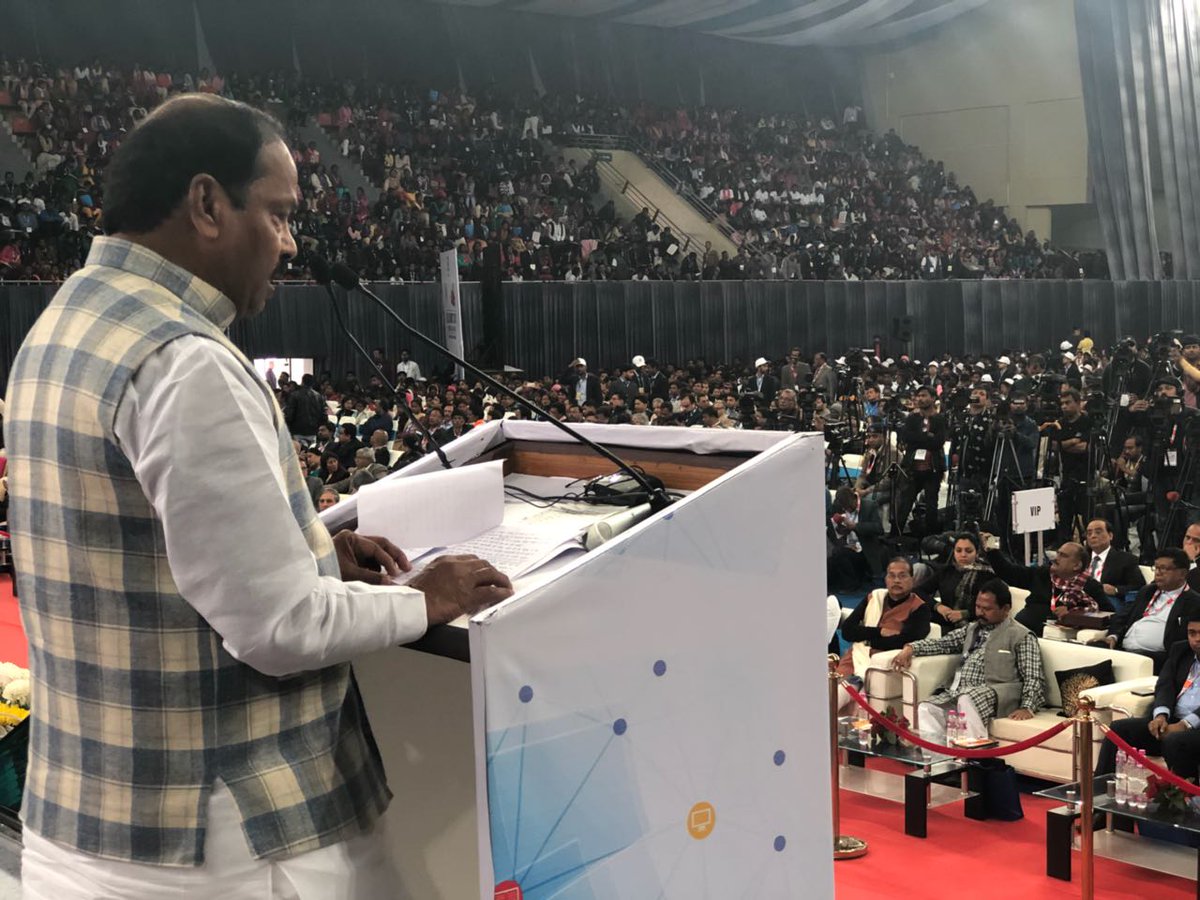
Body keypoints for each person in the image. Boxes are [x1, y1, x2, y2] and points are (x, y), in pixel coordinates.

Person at [4, 95, 514, 899]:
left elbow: (138, 558)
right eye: (278, 214)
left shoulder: (59, 326)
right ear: (208, 204)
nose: (290, 241)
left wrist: (314, 554)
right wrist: (426, 597)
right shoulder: (185, 360)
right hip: (229, 846)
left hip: (86, 824)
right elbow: (277, 626)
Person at [892, 580, 1044, 742]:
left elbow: (1033, 676)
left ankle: (974, 753)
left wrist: (1027, 707)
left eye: (987, 609)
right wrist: (911, 648)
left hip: (998, 692)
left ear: (1006, 609)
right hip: (960, 691)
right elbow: (943, 643)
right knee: (927, 708)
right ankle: (938, 757)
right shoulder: (972, 629)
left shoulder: (1022, 635)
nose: (980, 613)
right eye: (978, 607)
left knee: (967, 699)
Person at [1095, 614, 1200, 785]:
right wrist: (1161, 716)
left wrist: (1185, 725)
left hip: (1195, 728)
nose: (1197, 639)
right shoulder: (1180, 650)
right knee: (1119, 729)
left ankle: (1186, 797)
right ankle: (1099, 792)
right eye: (1192, 633)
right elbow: (1165, 685)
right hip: (1173, 720)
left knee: (1175, 741)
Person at [836, 558, 930, 711]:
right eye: (892, 575)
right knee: (831, 693)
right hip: (856, 657)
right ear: (885, 579)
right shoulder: (874, 598)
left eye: (902, 576)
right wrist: (880, 632)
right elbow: (847, 631)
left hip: (884, 664)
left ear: (912, 580)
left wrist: (868, 640)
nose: (896, 580)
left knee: (844, 696)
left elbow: (906, 640)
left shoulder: (920, 608)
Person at [1094, 549, 1200, 671]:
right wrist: (1113, 636)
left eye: (1164, 569)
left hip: (1157, 656)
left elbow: (1186, 641)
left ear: (1182, 573)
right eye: (1156, 568)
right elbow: (1123, 616)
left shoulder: (1193, 602)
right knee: (1094, 647)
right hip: (1124, 648)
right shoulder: (1147, 591)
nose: (1158, 573)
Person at [983, 538, 1110, 636]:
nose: (1056, 558)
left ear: (1076, 565)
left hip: (1055, 640)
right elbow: (1010, 573)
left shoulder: (1090, 586)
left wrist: (1073, 613)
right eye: (1057, 553)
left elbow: (1108, 615)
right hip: (1021, 631)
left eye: (1063, 556)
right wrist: (992, 549)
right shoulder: (1042, 574)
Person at [916, 532, 995, 630]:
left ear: (976, 552)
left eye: (968, 551)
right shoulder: (947, 571)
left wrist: (964, 614)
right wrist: (938, 606)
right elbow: (918, 591)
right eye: (958, 550)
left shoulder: (986, 573)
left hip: (974, 623)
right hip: (946, 620)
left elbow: (992, 604)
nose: (963, 555)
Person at [1082, 518, 1144, 601]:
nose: (1093, 536)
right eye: (1089, 533)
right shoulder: (1081, 558)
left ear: (1110, 536)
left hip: (1109, 602)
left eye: (1098, 532)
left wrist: (1116, 590)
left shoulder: (1126, 559)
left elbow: (1139, 586)